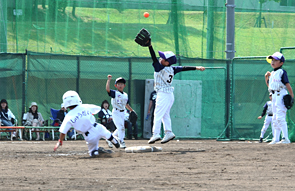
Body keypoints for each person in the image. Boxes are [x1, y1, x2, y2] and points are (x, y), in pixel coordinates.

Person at [146, 40, 205, 144]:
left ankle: (155, 134)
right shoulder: (172, 69)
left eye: (163, 58)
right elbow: (184, 68)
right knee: (165, 115)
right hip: (169, 95)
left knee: (157, 114)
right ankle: (168, 132)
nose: (160, 58)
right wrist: (197, 68)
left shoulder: (159, 68)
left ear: (167, 62)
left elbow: (153, 57)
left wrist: (150, 46)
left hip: (163, 94)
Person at [53, 90, 120, 157]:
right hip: (98, 127)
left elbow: (63, 132)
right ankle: (114, 141)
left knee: (93, 153)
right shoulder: (85, 106)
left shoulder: (68, 116)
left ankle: (96, 152)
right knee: (107, 134)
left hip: (89, 136)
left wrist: (60, 141)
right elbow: (98, 108)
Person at [265, 52, 294, 144]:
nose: (273, 62)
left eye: (276, 60)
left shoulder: (281, 72)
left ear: (281, 63)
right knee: (274, 118)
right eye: (272, 60)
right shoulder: (272, 73)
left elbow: (287, 84)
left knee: (280, 117)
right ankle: (276, 138)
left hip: (281, 95)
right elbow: (270, 87)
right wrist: (266, 78)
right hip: (274, 96)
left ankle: (286, 138)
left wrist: (292, 96)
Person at [106, 75, 136, 149]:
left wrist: (132, 110)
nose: (120, 85)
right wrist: (109, 80)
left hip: (122, 112)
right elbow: (108, 89)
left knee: (120, 128)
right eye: (118, 84)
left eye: (122, 84)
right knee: (121, 127)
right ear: (116, 85)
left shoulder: (125, 95)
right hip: (116, 112)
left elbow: (126, 104)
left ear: (124, 85)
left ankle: (110, 139)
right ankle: (121, 141)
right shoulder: (114, 93)